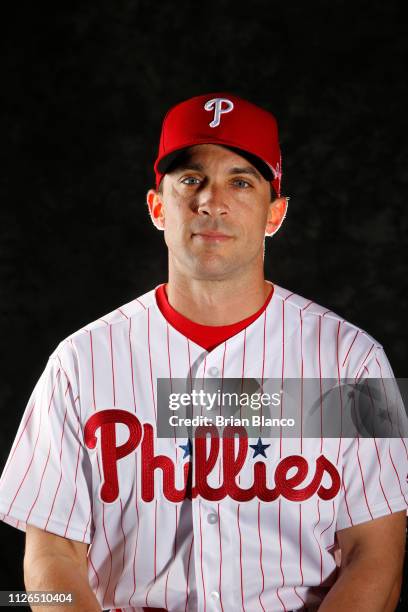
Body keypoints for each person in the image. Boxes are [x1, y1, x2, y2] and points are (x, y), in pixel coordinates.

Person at [0, 92, 406, 612]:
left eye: (241, 182)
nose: (212, 201)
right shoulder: (78, 363)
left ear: (274, 214)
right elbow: (50, 556)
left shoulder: (355, 362)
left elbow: (376, 556)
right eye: (191, 179)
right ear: (156, 206)